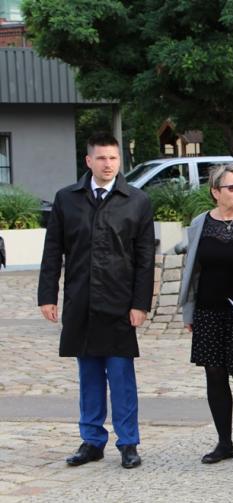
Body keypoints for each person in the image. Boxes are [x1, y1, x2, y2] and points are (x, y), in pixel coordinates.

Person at [38, 132, 155, 469]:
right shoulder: (66, 199)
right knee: (88, 376)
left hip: (119, 304)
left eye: (113, 159)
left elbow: (145, 258)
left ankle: (128, 443)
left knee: (121, 377)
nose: (108, 164)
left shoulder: (137, 200)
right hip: (81, 302)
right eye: (101, 158)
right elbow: (53, 251)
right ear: (88, 161)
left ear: (120, 162)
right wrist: (48, 295)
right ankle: (91, 440)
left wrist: (140, 303)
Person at [178, 164, 233, 465]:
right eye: (232, 188)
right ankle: (224, 442)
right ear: (215, 192)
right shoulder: (200, 223)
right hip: (208, 309)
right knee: (214, 375)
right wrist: (188, 311)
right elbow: (193, 271)